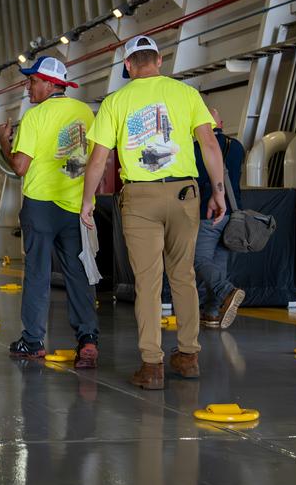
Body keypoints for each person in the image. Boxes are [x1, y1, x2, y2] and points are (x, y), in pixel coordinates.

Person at [80, 36, 226, 390]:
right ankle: (189, 356)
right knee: (183, 275)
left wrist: (87, 202)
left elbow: (99, 159)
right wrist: (218, 191)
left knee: (147, 281)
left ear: (128, 66)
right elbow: (209, 144)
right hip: (184, 192)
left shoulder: (115, 101)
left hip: (140, 198)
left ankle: (152, 366)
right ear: (159, 61)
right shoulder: (187, 94)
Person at [0, 57, 99, 367]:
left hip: (40, 205)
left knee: (38, 274)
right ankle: (88, 340)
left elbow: (19, 166)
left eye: (33, 81)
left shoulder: (34, 116)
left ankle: (33, 341)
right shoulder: (85, 113)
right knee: (78, 273)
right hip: (75, 204)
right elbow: (96, 158)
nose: (28, 87)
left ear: (51, 84)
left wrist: (3, 142)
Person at [194, 108, 246, 328]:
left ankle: (226, 291)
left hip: (208, 210)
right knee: (219, 261)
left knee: (199, 260)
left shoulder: (196, 148)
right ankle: (212, 312)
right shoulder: (237, 147)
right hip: (232, 213)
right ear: (221, 123)